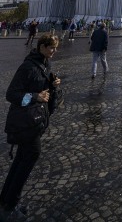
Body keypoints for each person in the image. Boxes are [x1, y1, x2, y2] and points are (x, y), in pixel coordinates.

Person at [0, 34, 61, 222]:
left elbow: (44, 90)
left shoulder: (44, 64)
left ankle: (6, 200)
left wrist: (53, 84)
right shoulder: (28, 66)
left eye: (55, 47)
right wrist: (35, 97)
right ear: (41, 47)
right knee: (30, 156)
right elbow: (11, 94)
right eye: (51, 47)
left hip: (35, 121)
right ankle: (8, 207)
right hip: (26, 122)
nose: (54, 51)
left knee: (21, 158)